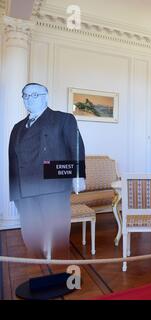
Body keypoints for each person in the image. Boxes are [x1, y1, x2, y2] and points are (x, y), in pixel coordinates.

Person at [9, 83, 86, 259]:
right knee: (30, 234)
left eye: (34, 95)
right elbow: (13, 159)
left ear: (46, 96)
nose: (29, 99)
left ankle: (61, 274)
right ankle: (37, 270)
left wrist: (78, 175)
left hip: (53, 185)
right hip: (23, 188)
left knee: (58, 235)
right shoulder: (17, 127)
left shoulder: (63, 119)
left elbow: (76, 146)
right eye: (25, 95)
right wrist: (13, 191)